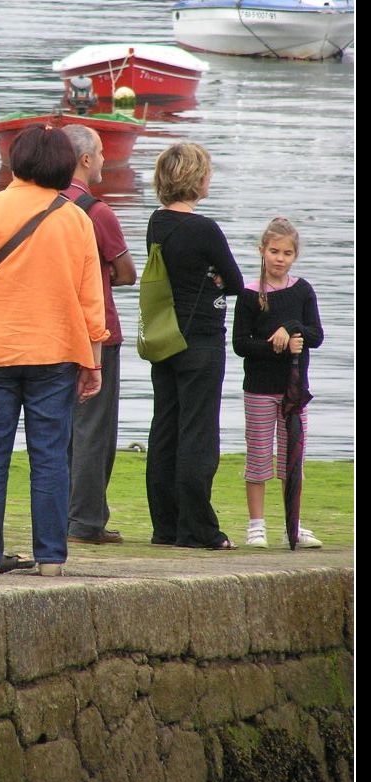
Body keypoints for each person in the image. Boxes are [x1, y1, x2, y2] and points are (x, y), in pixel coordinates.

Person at [0, 126, 108, 576]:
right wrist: (93, 358)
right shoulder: (76, 219)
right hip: (56, 351)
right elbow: (91, 298)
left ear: (17, 161)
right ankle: (50, 556)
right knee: (50, 455)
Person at [144, 143, 244, 550]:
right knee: (198, 435)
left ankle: (165, 525)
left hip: (165, 336)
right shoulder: (204, 229)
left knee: (165, 429)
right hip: (200, 339)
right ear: (196, 178)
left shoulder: (157, 222)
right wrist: (217, 279)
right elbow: (235, 282)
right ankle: (199, 529)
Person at [61, 125, 136, 546]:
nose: (106, 160)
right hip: (97, 330)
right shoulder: (97, 211)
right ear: (86, 159)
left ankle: (59, 512)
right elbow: (126, 273)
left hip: (53, 331)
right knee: (95, 430)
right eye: (102, 153)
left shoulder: (47, 205)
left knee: (61, 428)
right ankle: (87, 520)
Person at [233, 217, 324, 548]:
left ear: (295, 255)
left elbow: (316, 335)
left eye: (286, 253)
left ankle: (292, 523)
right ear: (262, 251)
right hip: (259, 386)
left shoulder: (302, 290)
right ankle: (256, 524)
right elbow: (241, 343)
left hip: (294, 391)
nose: (279, 258)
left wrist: (292, 328)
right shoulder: (249, 294)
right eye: (273, 251)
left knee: (292, 457)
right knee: (258, 455)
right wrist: (275, 343)